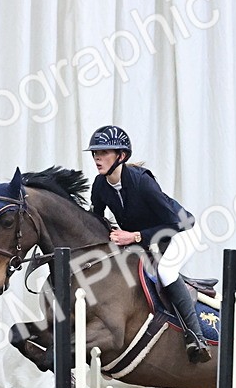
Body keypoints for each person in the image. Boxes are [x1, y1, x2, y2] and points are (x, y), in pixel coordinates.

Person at [85, 125, 211, 363]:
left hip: (181, 231)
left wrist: (133, 237)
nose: (97, 158)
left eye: (103, 152)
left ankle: (196, 337)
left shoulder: (142, 182)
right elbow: (97, 220)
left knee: (165, 270)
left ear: (121, 156)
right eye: (94, 153)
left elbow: (174, 223)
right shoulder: (100, 185)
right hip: (149, 236)